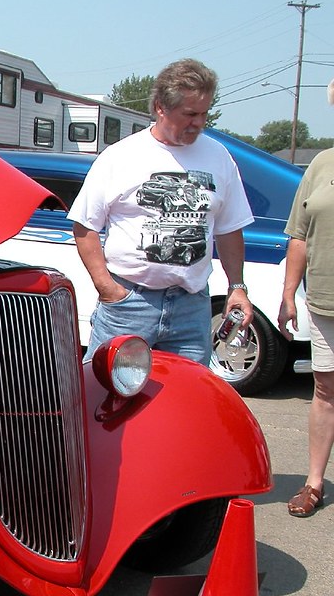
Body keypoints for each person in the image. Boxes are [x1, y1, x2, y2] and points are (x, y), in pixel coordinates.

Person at [66, 58, 254, 366]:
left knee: (187, 402)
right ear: (160, 107)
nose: (199, 123)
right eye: (190, 114)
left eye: (204, 114)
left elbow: (230, 228)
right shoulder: (121, 157)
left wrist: (237, 288)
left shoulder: (218, 157)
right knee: (107, 401)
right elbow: (85, 226)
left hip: (191, 307)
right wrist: (107, 288)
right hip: (129, 304)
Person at [277, 80, 334, 518]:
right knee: (325, 390)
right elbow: (299, 235)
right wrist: (288, 295)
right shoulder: (321, 163)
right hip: (324, 303)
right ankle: (314, 483)